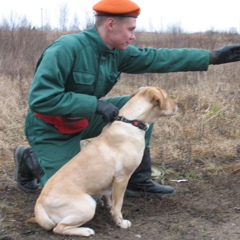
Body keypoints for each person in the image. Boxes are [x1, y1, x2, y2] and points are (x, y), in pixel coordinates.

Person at [14, 0, 240, 197]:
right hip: (50, 128)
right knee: (67, 192)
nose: (133, 36)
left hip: (84, 118)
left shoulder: (116, 52)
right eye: (130, 30)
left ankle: (137, 181)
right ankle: (29, 159)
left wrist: (213, 57)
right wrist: (94, 104)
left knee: (143, 106)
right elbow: (41, 98)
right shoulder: (66, 49)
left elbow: (158, 58)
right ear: (110, 24)